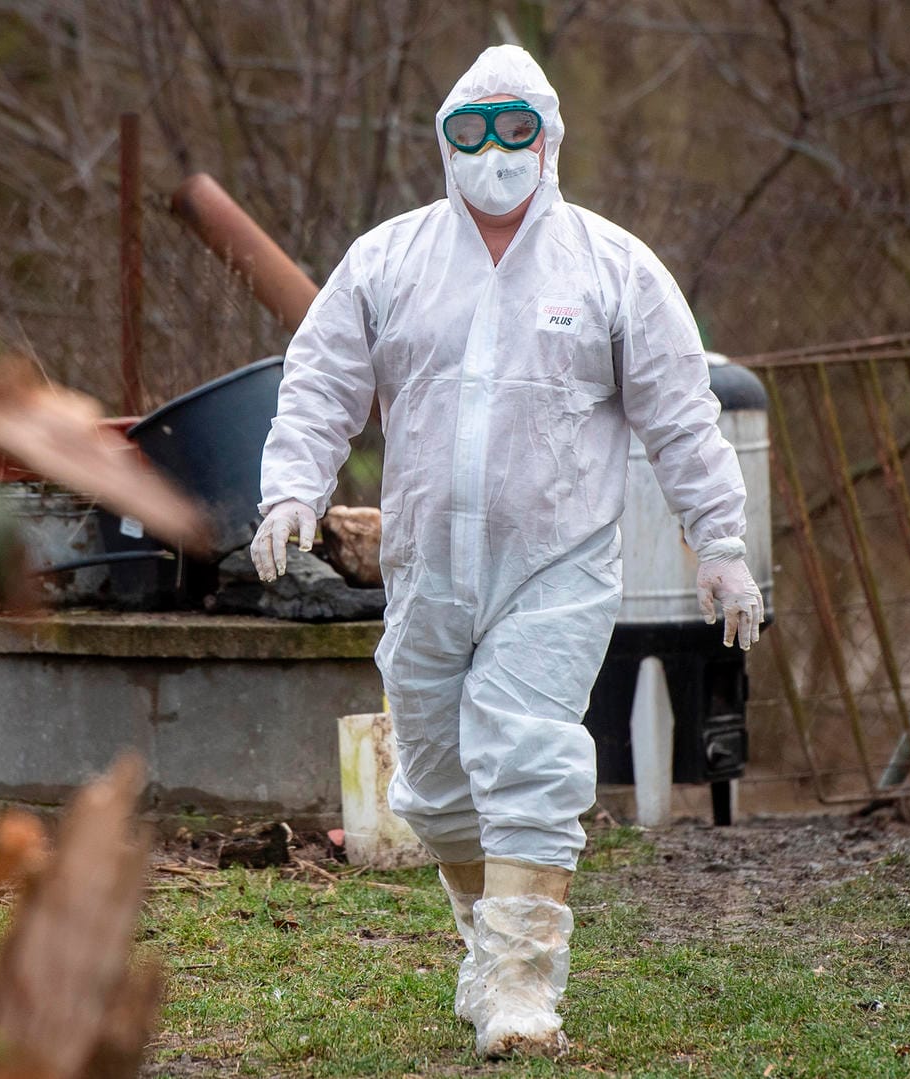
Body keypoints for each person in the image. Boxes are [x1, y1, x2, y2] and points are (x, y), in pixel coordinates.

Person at [250, 45, 764, 1058]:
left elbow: (681, 416)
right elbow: (320, 381)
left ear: (551, 138)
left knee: (525, 752)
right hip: (428, 569)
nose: (493, 150)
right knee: (437, 785)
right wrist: (291, 489)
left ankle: (526, 984)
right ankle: (489, 948)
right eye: (471, 130)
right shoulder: (388, 261)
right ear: (444, 141)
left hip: (557, 567)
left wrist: (722, 542)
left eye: (514, 128)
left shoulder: (614, 267)